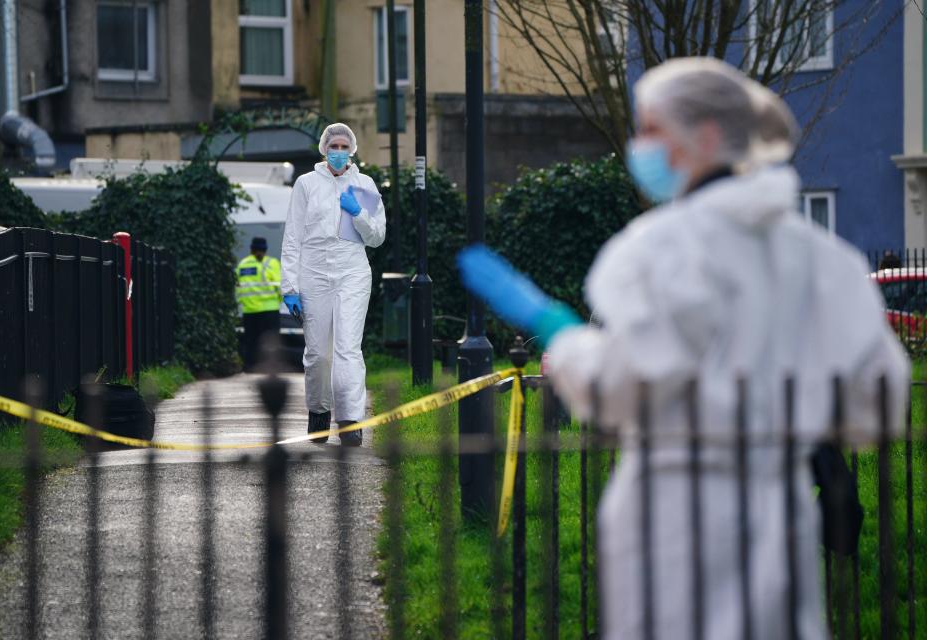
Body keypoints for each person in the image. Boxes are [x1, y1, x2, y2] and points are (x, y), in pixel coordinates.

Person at [458, 58, 909, 639]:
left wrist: (561, 332)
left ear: (708, 136)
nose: (637, 145)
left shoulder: (664, 248)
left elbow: (620, 391)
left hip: (673, 517)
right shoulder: (821, 258)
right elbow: (880, 402)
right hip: (781, 511)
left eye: (650, 128)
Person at [280, 123, 386, 446]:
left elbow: (377, 236)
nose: (338, 152)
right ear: (324, 149)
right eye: (333, 146)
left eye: (344, 147)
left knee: (347, 348)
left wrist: (359, 214)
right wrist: (290, 287)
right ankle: (318, 410)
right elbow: (293, 237)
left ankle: (351, 418)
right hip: (313, 271)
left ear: (352, 150)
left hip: (352, 268)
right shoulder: (306, 184)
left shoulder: (364, 185)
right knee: (317, 353)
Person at [236, 236, 281, 371]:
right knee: (271, 342)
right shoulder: (271, 263)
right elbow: (280, 286)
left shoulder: (242, 264)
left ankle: (250, 368)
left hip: (249, 310)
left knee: (250, 341)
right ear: (265, 249)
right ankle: (270, 368)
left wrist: (242, 302)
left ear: (251, 249)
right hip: (270, 310)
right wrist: (280, 301)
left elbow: (237, 288)